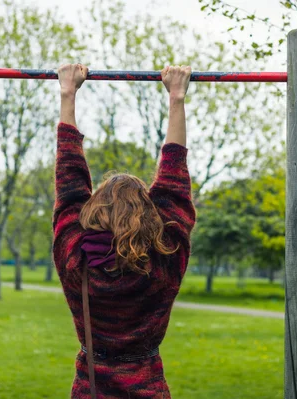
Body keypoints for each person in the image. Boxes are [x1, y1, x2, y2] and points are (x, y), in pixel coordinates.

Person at [52, 63, 196, 398]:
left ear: (92, 213)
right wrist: (177, 98)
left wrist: (67, 94)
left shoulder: (75, 255)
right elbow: (174, 182)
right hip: (147, 388)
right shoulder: (166, 255)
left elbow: (69, 180)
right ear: (150, 217)